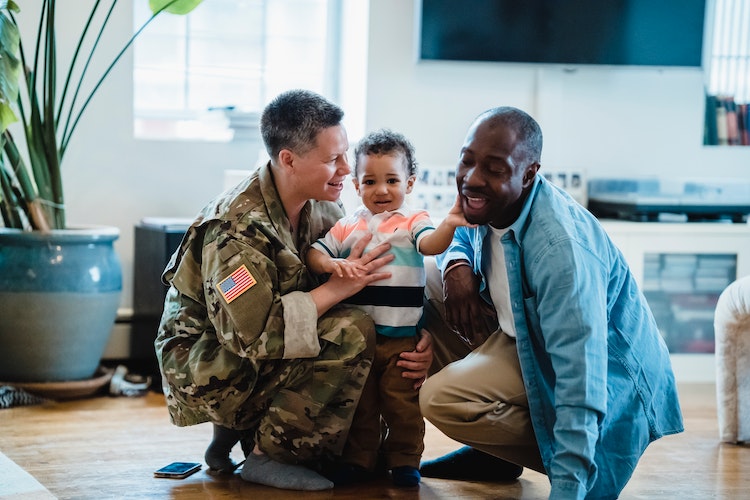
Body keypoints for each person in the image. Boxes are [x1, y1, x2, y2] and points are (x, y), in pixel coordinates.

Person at [154, 89, 432, 492]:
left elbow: (386, 278)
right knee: (349, 331)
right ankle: (269, 456)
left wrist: (418, 337)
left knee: (360, 326)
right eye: (332, 160)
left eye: (345, 154)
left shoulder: (325, 206)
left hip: (249, 346)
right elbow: (253, 335)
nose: (345, 170)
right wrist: (339, 288)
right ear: (288, 159)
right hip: (204, 360)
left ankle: (239, 431)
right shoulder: (235, 230)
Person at [417, 106, 684, 499]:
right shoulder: (488, 202)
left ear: (528, 174)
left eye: (493, 168)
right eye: (467, 160)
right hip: (526, 339)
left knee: (440, 398)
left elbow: (583, 378)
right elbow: (456, 226)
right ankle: (495, 454)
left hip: (609, 388)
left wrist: (569, 489)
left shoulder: (560, 250)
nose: (471, 179)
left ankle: (583, 467)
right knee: (424, 280)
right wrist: (456, 267)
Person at [306, 129, 472, 487]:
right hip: (359, 341)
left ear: (409, 183)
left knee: (402, 406)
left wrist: (450, 223)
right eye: (370, 181)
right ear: (356, 185)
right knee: (361, 406)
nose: (381, 190)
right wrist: (332, 265)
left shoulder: (413, 221)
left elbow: (429, 245)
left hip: (402, 339)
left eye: (391, 180)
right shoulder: (348, 224)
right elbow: (315, 251)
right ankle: (359, 459)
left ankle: (404, 461)